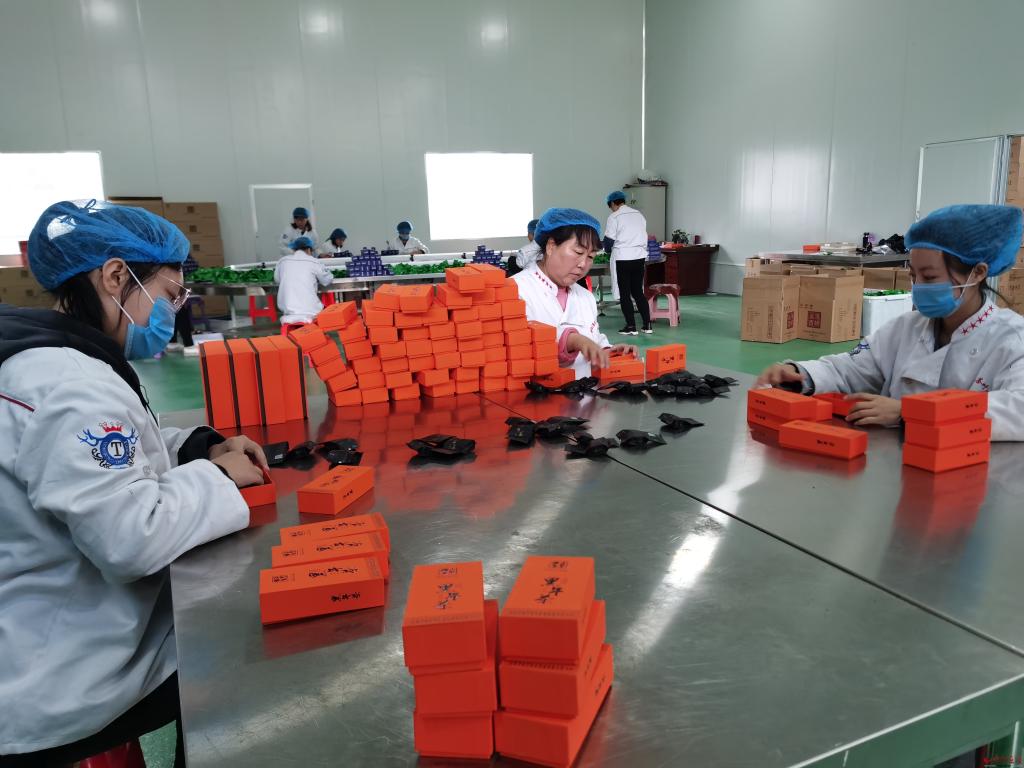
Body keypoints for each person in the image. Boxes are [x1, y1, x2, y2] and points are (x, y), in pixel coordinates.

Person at [0, 200, 267, 767]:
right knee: (253, 663)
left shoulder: (56, 359)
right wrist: (219, 476)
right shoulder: (69, 383)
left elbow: (114, 453)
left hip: (55, 628)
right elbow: (129, 537)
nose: (172, 310)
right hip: (66, 673)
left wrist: (197, 447)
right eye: (169, 294)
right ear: (116, 276)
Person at [756, 204, 1024, 441]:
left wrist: (909, 413)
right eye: (913, 276)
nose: (919, 286)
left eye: (930, 277)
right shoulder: (906, 327)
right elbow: (851, 368)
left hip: (973, 472)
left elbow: (1017, 410)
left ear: (978, 273)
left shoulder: (1012, 339)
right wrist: (800, 374)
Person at [512, 207, 637, 379]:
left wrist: (606, 352)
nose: (583, 264)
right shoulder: (516, 290)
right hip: (539, 392)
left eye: (591, 256)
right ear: (551, 246)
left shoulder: (585, 297)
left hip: (583, 392)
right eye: (578, 252)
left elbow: (593, 340)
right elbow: (520, 349)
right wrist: (573, 341)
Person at [603, 190, 652, 335]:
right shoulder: (638, 214)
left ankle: (631, 326)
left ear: (613, 203)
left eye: (610, 206)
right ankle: (647, 325)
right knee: (637, 292)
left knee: (625, 293)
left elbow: (608, 242)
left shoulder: (614, 217)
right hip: (639, 257)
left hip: (623, 258)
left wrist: (606, 249)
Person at [275, 235, 334, 324]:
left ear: (294, 249)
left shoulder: (282, 261)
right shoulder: (314, 261)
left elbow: (277, 280)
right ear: (309, 249)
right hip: (311, 312)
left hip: (288, 311)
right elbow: (327, 280)